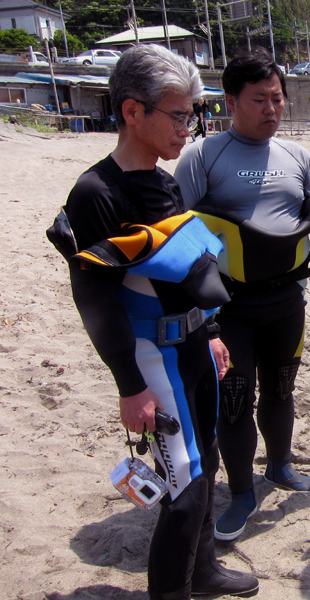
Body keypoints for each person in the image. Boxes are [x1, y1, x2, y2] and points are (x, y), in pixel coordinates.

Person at [53, 44, 258, 599]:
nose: (188, 128)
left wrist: (211, 331)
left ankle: (204, 571)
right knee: (184, 484)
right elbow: (92, 299)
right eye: (178, 115)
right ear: (132, 112)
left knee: (206, 457)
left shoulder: (164, 184)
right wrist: (130, 387)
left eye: (192, 114)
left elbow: (189, 267)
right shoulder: (96, 193)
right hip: (150, 354)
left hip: (192, 342)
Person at [174, 47, 310, 542]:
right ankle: (240, 492)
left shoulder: (298, 157)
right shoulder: (202, 156)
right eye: (260, 100)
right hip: (228, 305)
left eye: (278, 99)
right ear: (230, 101)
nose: (272, 109)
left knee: (280, 389)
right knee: (234, 399)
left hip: (286, 301)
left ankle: (278, 466)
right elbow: (178, 236)